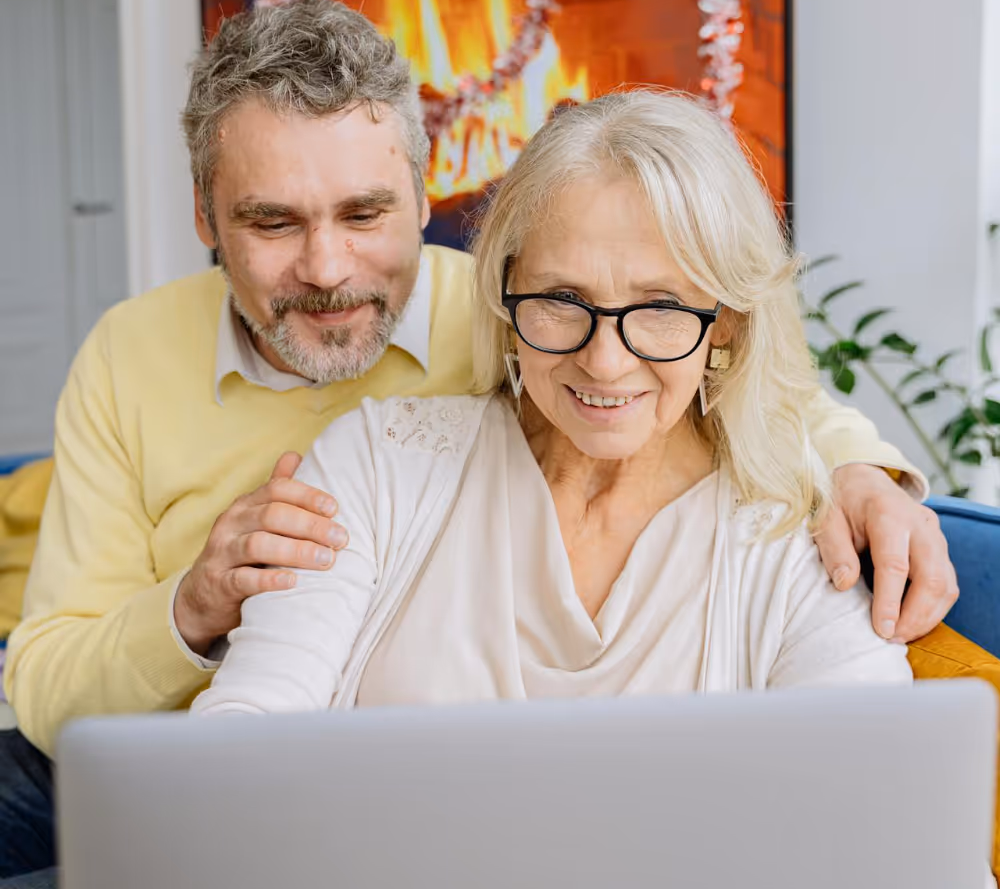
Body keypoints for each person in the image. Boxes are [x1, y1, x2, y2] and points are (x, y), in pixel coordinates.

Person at [0, 0, 954, 881]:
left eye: (366, 213)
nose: (329, 268)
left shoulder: (513, 303)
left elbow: (742, 382)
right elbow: (60, 688)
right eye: (273, 221)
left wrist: (861, 471)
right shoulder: (147, 365)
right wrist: (197, 607)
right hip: (160, 760)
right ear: (208, 218)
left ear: (424, 200)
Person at [192, 88, 915, 721]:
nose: (604, 360)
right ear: (506, 295)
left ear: (724, 320)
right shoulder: (375, 468)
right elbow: (247, 732)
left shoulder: (799, 545)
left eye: (659, 306)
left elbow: (887, 820)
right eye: (562, 301)